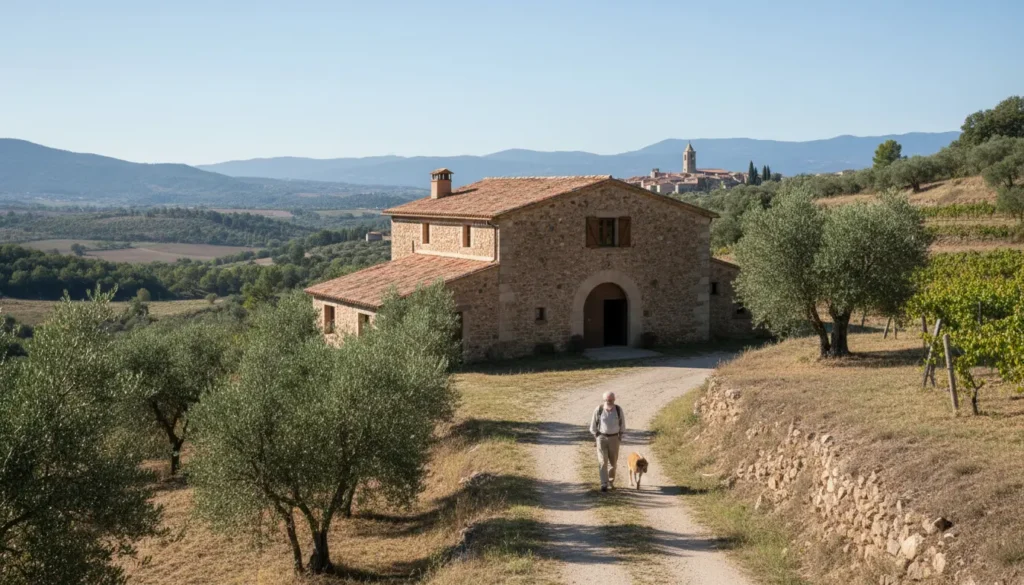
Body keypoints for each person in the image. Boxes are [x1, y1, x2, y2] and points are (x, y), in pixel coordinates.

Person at [589, 391, 625, 492]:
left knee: (613, 462)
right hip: (601, 437)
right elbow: (593, 426)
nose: (608, 402)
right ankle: (604, 483)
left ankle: (611, 482)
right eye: (606, 400)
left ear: (614, 400)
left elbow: (622, 424)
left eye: (610, 400)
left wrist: (621, 435)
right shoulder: (599, 409)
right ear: (604, 400)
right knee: (602, 461)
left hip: (614, 438)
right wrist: (596, 437)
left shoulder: (618, 409)